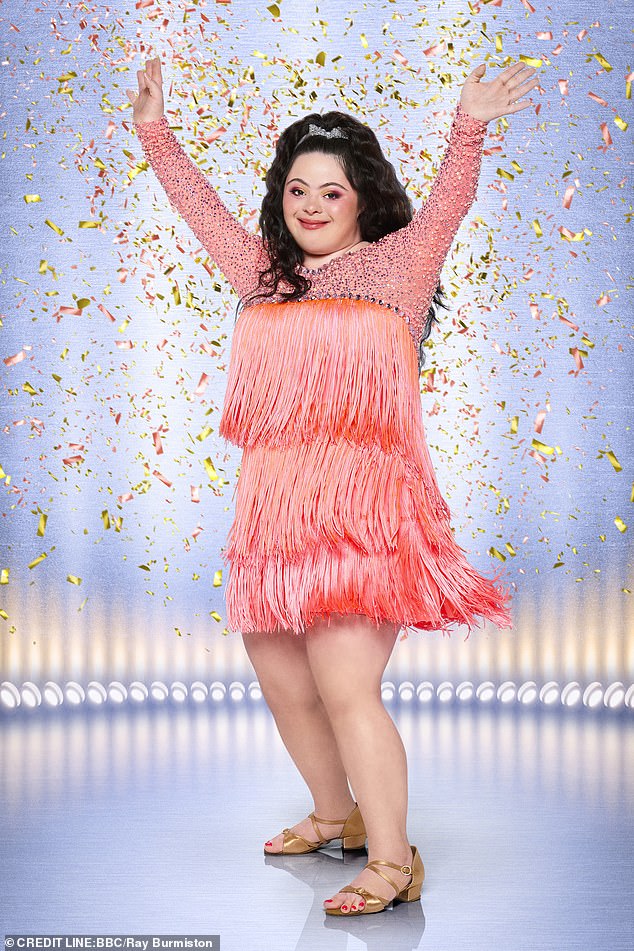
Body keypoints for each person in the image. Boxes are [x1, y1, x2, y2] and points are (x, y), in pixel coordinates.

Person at [127, 54, 538, 916]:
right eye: (297, 190)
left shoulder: (400, 267)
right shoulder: (264, 277)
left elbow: (451, 201)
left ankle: (392, 860)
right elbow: (200, 210)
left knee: (348, 688)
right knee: (285, 684)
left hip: (367, 522)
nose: (311, 206)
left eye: (331, 192)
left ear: (361, 201)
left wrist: (467, 124)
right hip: (272, 525)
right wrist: (154, 133)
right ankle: (334, 814)